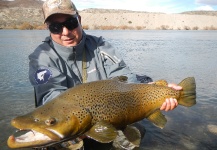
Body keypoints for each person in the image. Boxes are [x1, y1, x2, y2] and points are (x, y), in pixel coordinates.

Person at [28, 0, 181, 149]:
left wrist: (153, 90)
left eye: (71, 24)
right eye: (56, 27)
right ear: (48, 28)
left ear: (79, 20)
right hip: (69, 125)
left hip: (108, 119)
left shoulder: (101, 46)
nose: (65, 32)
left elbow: (126, 81)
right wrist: (77, 125)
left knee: (135, 131)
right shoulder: (42, 57)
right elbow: (50, 97)